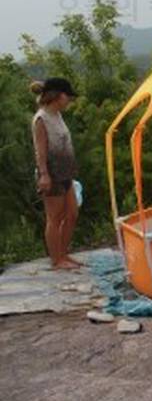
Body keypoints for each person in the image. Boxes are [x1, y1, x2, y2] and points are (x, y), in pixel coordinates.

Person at [30, 77, 80, 270]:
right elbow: (40, 150)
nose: (70, 100)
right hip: (51, 173)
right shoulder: (41, 119)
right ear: (58, 95)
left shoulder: (57, 115)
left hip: (66, 172)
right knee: (55, 217)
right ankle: (56, 259)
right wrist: (44, 175)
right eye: (68, 96)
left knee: (72, 213)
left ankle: (64, 254)